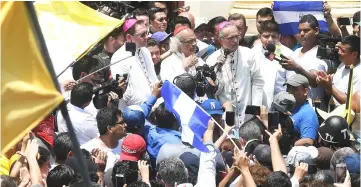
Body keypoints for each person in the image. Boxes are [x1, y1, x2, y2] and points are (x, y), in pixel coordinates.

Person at [206, 22, 263, 126]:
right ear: (220, 39)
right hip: (226, 114)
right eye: (230, 38)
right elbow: (216, 91)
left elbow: (257, 81)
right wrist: (219, 68)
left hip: (247, 111)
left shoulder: (248, 54)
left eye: (237, 36)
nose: (235, 41)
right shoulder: (212, 60)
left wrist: (255, 108)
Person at [281, 14, 328, 107]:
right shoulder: (295, 52)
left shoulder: (320, 53)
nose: (302, 34)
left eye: (306, 30)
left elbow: (315, 82)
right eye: (300, 31)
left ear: (316, 31)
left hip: (312, 107)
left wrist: (297, 68)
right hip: (292, 108)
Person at [111, 19, 158, 107]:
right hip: (137, 110)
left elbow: (153, 77)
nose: (147, 37)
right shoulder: (119, 57)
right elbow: (125, 92)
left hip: (154, 104)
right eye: (142, 35)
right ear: (129, 37)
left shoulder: (145, 51)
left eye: (146, 33)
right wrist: (147, 106)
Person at [249, 20, 293, 109]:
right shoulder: (252, 53)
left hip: (280, 104)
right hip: (257, 103)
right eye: (266, 36)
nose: (270, 39)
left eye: (273, 36)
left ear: (279, 37)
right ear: (259, 37)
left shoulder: (288, 54)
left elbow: (291, 83)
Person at [316, 35, 360, 107]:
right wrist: (326, 82)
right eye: (339, 49)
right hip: (333, 112)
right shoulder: (342, 65)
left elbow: (352, 104)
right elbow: (330, 93)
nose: (339, 52)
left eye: (343, 51)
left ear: (354, 54)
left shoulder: (358, 73)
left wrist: (330, 87)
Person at [285, 74, 319, 146]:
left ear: (305, 91)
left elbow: (308, 141)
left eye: (294, 88)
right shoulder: (286, 107)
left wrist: (287, 143)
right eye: (288, 88)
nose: (289, 91)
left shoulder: (308, 114)